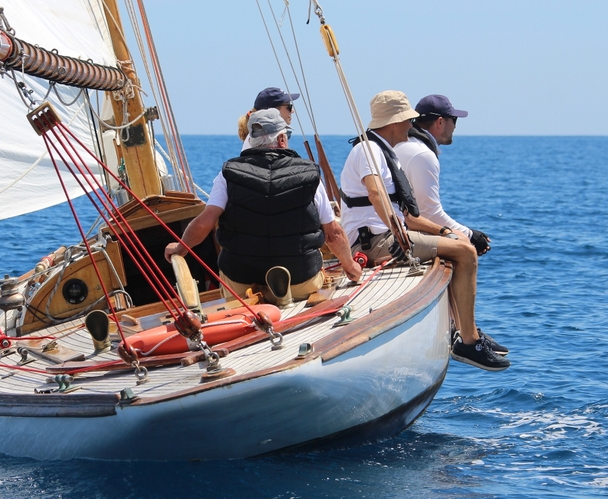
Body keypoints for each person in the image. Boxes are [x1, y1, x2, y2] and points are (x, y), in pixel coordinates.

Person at [338, 90, 509, 371]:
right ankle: (468, 342)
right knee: (466, 254)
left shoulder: (384, 151)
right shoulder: (368, 150)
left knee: (460, 244)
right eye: (408, 120)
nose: (412, 125)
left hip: (386, 236)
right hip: (374, 242)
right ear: (395, 122)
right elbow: (376, 194)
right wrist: (400, 236)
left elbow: (410, 216)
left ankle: (465, 331)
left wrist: (444, 232)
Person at [166, 108, 361, 305]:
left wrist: (181, 248)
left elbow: (205, 222)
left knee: (233, 278)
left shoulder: (227, 174)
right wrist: (350, 266)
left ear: (251, 140)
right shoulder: (310, 175)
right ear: (282, 139)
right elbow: (332, 234)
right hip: (299, 280)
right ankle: (283, 292)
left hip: (241, 281)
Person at [393, 94, 491, 255]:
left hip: (386, 226)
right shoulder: (422, 154)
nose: (455, 127)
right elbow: (428, 213)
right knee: (465, 248)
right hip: (395, 234)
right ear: (440, 122)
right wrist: (470, 235)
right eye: (454, 120)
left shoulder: (405, 144)